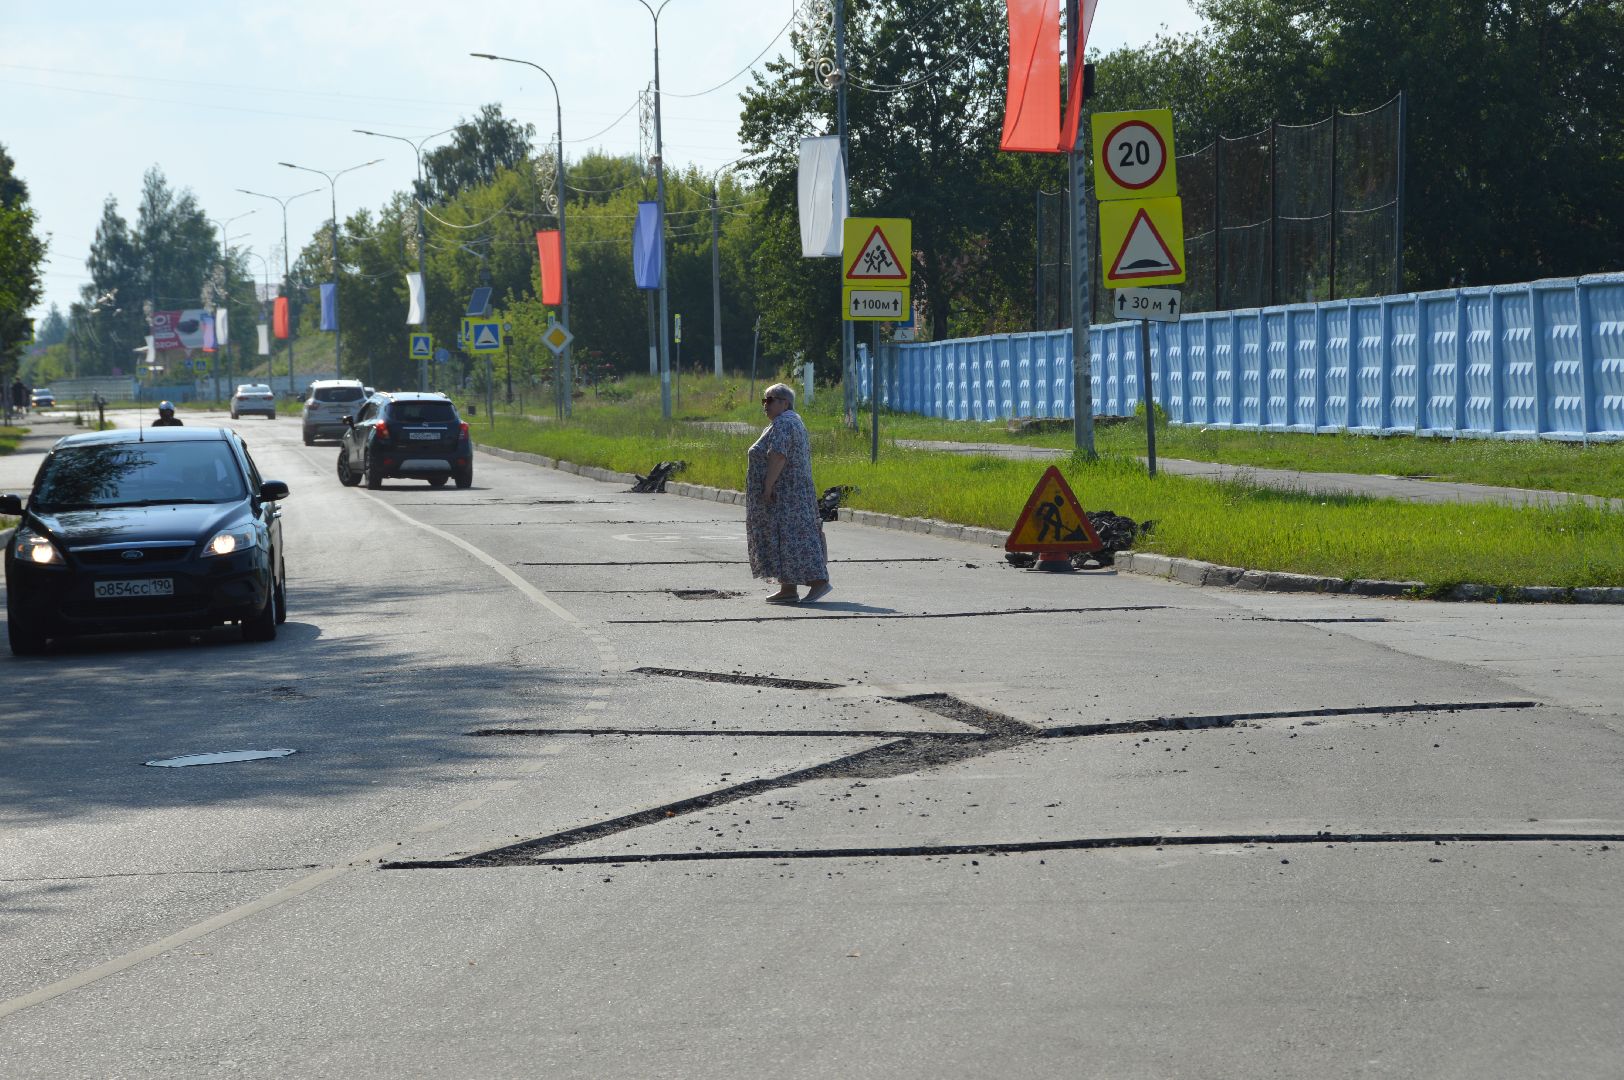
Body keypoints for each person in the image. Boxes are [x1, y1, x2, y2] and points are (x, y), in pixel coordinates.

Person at [745, 382, 831, 604]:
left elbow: (778, 455)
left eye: (770, 400)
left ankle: (818, 582)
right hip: (791, 493)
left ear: (785, 403)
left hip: (786, 494)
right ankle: (788, 588)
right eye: (763, 400)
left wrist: (768, 486)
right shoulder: (789, 421)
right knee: (783, 538)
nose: (765, 405)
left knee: (794, 538)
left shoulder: (784, 423)